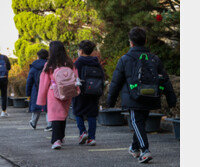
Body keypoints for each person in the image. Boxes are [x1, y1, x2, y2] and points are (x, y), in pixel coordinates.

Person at [106, 27, 177, 163]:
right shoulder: (154, 59)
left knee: (136, 123)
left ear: (131, 43)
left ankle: (145, 150)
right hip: (151, 96)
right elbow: (165, 79)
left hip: (134, 97)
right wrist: (171, 99)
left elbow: (116, 82)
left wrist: (110, 101)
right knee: (140, 124)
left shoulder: (125, 59)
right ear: (145, 41)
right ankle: (134, 148)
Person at [37, 41, 80, 150]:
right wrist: (77, 90)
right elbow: (75, 77)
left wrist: (41, 99)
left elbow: (44, 82)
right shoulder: (69, 63)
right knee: (62, 115)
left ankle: (56, 140)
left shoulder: (49, 65)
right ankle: (60, 137)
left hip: (53, 92)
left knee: (55, 116)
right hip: (67, 91)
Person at [72, 40, 104, 146]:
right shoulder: (96, 62)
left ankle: (82, 132)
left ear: (80, 51)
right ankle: (92, 138)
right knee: (92, 115)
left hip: (80, 92)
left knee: (78, 112)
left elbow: (73, 77)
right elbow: (102, 77)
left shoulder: (77, 63)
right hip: (94, 92)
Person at [26, 49, 52, 131]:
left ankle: (33, 123)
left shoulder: (34, 67)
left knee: (36, 108)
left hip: (36, 90)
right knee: (48, 107)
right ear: (47, 57)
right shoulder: (50, 66)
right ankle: (49, 124)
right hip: (48, 89)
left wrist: (28, 93)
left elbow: (29, 81)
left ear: (38, 57)